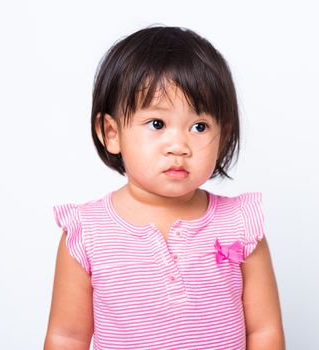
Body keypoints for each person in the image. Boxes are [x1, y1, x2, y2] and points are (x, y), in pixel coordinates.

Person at [44, 26, 285, 350]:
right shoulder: (86, 232)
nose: (179, 146)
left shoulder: (241, 223)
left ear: (223, 136)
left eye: (199, 126)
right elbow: (67, 336)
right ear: (111, 132)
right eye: (157, 124)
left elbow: (265, 331)